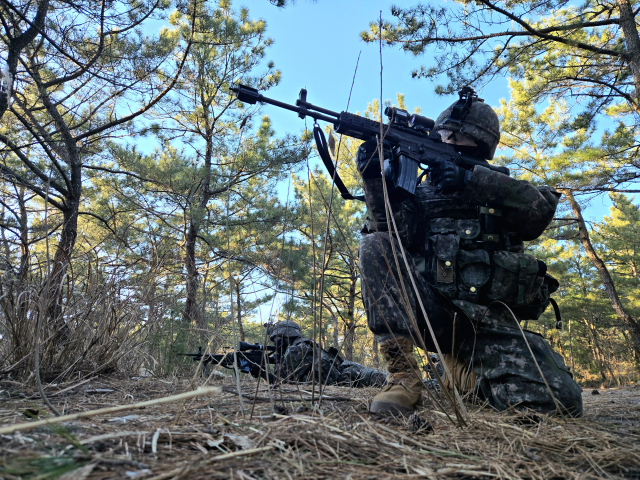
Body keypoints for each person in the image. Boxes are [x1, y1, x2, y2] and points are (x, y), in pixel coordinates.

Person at [356, 89, 583, 416]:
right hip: (431, 311)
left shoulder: (501, 191)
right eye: (445, 136)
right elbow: (388, 231)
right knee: (374, 244)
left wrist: (469, 181)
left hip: (488, 323)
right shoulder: (419, 192)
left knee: (562, 399)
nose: (448, 140)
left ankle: (462, 377)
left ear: (480, 146)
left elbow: (539, 212)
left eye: (457, 137)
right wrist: (375, 181)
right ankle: (403, 378)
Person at [267, 320, 386, 387]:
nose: (275, 344)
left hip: (351, 376)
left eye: (276, 339)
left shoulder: (296, 350)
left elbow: (282, 382)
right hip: (350, 370)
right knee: (391, 379)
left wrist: (263, 373)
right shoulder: (306, 345)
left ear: (285, 335)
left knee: (393, 381)